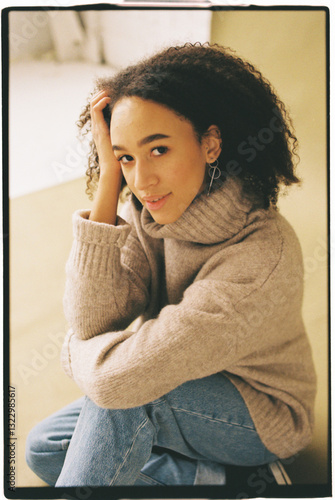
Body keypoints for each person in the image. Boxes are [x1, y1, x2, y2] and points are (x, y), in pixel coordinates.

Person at [26, 42, 316, 487]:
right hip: (171, 378)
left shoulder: (260, 257)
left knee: (128, 396)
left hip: (256, 416)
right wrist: (107, 182)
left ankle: (252, 466)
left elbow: (111, 381)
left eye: (158, 149)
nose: (141, 182)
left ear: (210, 144)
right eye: (125, 156)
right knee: (44, 448)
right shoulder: (149, 212)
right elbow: (94, 320)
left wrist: (72, 351)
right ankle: (222, 482)